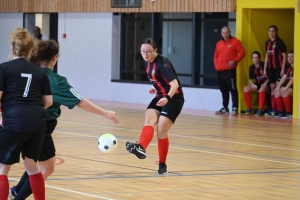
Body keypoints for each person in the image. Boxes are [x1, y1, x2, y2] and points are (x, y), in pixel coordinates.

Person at [9, 40, 119, 199]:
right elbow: (80, 101)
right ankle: (18, 196)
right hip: (40, 127)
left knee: (37, 164)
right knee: (46, 168)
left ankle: (16, 191)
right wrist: (105, 113)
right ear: (55, 57)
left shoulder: (28, 74)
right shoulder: (55, 81)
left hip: (17, 123)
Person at [0, 28, 53, 200]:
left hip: (13, 121)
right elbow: (48, 102)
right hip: (37, 122)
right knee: (32, 166)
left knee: (2, 168)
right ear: (31, 51)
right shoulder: (40, 71)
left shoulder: (4, 69)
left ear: (13, 48)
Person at [125, 38, 184, 175]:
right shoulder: (147, 62)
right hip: (160, 96)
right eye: (143, 52)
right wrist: (155, 88)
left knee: (161, 130)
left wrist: (167, 98)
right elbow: (159, 79)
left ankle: (162, 165)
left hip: (174, 98)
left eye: (149, 51)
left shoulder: (162, 64)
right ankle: (140, 147)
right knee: (149, 119)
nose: (145, 54)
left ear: (155, 50)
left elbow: (174, 84)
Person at [214, 26, 245, 116]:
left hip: (230, 70)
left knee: (233, 89)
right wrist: (217, 66)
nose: (225, 35)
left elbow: (242, 53)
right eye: (224, 33)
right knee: (224, 90)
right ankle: (225, 107)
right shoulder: (219, 43)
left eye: (227, 33)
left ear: (230, 32)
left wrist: (234, 61)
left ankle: (235, 108)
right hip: (220, 70)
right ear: (221, 33)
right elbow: (216, 56)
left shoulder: (235, 42)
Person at [263, 25, 287, 116]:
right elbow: (266, 56)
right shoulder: (267, 42)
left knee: (278, 88)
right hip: (270, 68)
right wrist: (265, 69)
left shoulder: (280, 42)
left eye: (273, 31)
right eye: (270, 31)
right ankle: (273, 108)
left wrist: (283, 69)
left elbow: (284, 56)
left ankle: (280, 109)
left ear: (276, 32)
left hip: (278, 68)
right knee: (272, 88)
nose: (271, 33)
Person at [243, 51, 270, 116]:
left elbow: (270, 77)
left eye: (257, 58)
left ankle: (260, 110)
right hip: (258, 84)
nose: (255, 59)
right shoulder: (251, 68)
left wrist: (265, 84)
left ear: (259, 58)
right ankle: (249, 108)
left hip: (267, 85)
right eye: (254, 58)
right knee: (246, 88)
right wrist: (252, 84)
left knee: (262, 88)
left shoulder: (264, 65)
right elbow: (250, 79)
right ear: (252, 59)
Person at [274, 51, 294, 118]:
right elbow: (284, 77)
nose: (289, 58)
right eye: (288, 57)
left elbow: (293, 79)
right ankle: (281, 112)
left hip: (295, 88)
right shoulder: (288, 67)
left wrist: (286, 88)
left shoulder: (297, 67)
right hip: (289, 87)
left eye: (291, 57)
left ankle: (289, 113)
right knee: (277, 92)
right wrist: (278, 87)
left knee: (285, 92)